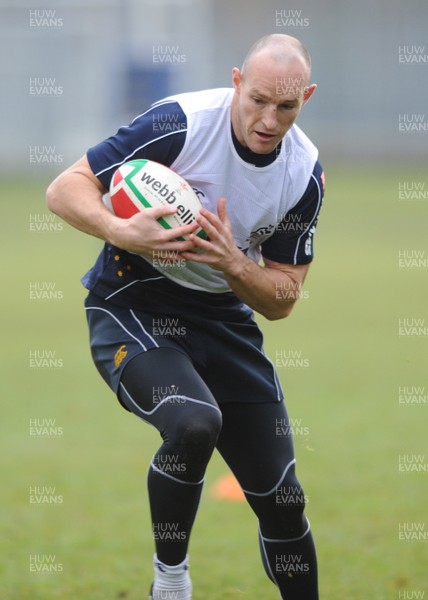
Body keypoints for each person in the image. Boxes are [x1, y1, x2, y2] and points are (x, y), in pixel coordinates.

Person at [47, 32, 325, 600]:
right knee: (194, 421)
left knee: (283, 498)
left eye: (287, 106)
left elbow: (281, 299)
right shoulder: (179, 124)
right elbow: (65, 188)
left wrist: (233, 265)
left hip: (224, 318)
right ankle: (170, 579)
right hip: (134, 301)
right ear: (237, 83)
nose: (269, 119)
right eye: (258, 100)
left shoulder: (304, 175)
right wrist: (123, 230)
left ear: (307, 98)